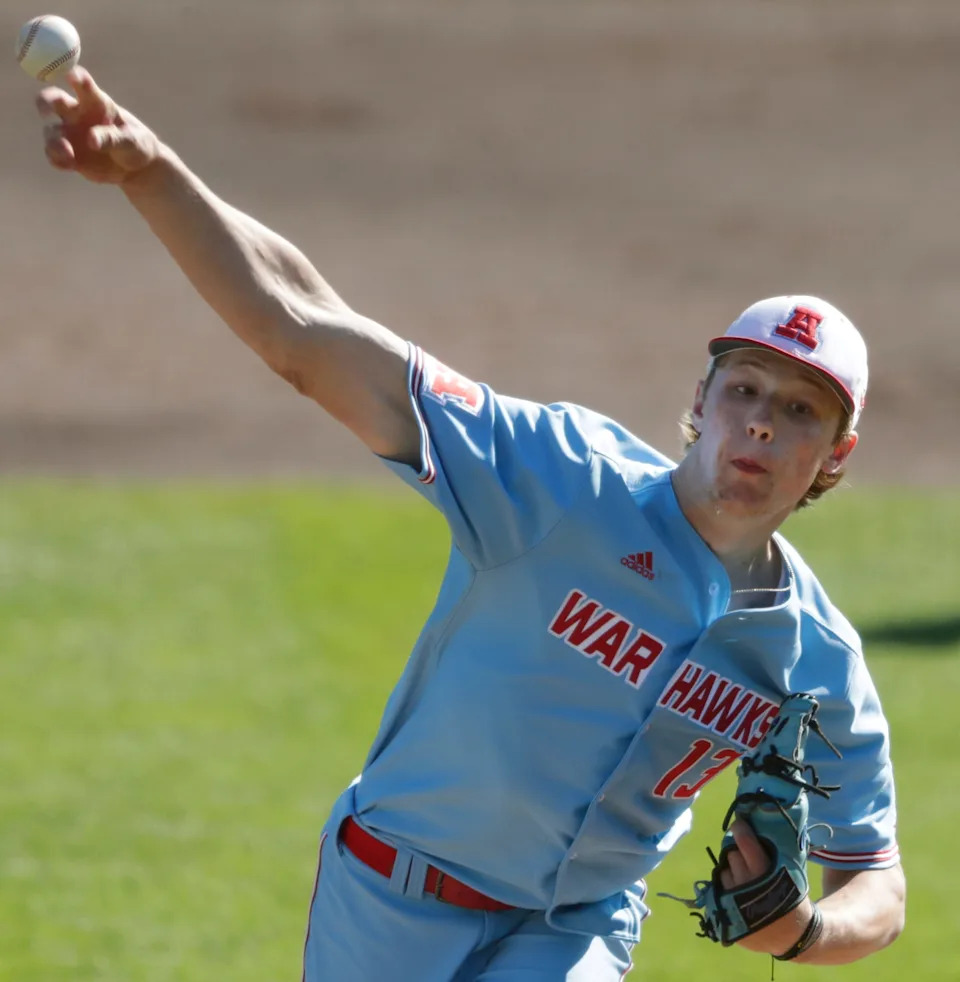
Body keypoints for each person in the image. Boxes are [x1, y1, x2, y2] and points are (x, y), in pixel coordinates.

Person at [36, 69, 905, 981]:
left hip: (574, 930)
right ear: (700, 400)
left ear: (837, 455)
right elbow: (308, 333)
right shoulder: (558, 480)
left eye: (802, 409)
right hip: (388, 899)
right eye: (744, 390)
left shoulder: (811, 654)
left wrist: (806, 931)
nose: (762, 421)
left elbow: (877, 884)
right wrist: (151, 172)